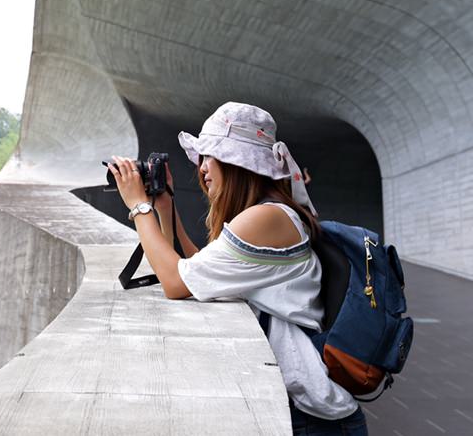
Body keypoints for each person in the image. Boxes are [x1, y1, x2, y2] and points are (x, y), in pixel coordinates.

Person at [107, 102, 366, 436]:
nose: (201, 168)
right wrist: (164, 205)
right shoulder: (271, 212)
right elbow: (195, 267)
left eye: (209, 157)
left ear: (237, 163)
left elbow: (175, 282)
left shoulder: (267, 217)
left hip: (313, 419)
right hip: (304, 410)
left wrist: (138, 206)